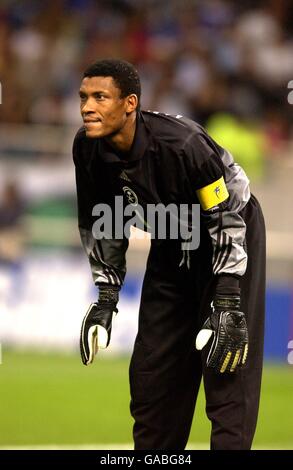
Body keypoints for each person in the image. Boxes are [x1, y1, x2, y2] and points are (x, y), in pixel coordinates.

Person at [73, 59, 266, 450]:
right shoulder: (87, 149)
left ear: (130, 103)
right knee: (153, 371)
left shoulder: (184, 144)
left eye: (99, 97)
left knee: (226, 358)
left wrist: (227, 297)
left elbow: (225, 216)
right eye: (83, 97)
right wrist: (106, 299)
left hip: (228, 236)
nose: (86, 107)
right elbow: (103, 223)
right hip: (170, 239)